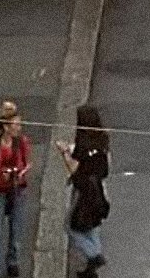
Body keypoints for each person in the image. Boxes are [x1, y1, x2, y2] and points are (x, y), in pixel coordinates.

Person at [57, 106, 111, 277]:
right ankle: (90, 268)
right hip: (99, 188)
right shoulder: (102, 139)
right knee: (92, 224)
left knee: (71, 225)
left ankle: (93, 255)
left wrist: (65, 152)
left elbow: (74, 168)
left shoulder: (83, 144)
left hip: (83, 190)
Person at [0, 100, 33, 278]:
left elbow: (28, 164)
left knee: (15, 230)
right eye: (16, 124)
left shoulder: (23, 142)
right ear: (5, 127)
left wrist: (20, 173)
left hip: (17, 190)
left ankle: (13, 261)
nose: (19, 128)